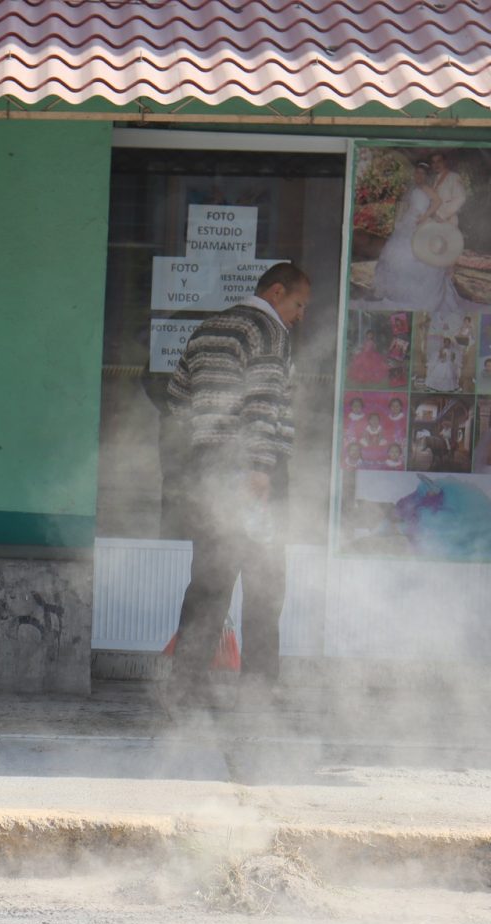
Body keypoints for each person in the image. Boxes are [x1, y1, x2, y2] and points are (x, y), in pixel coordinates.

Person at [165, 262, 310, 694]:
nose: (300, 315)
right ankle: (258, 692)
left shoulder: (208, 329)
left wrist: (207, 437)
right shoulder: (267, 331)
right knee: (265, 584)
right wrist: (259, 468)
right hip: (253, 473)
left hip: (209, 468)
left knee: (209, 581)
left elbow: (176, 396)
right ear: (277, 291)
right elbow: (263, 402)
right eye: (299, 304)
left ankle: (184, 688)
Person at [370, 153, 470, 312]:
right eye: (433, 162)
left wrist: (433, 215)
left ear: (445, 161)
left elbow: (455, 199)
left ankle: (425, 296)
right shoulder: (432, 182)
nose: (436, 164)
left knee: (433, 260)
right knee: (407, 255)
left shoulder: (452, 178)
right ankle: (401, 293)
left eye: (439, 161)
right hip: (424, 223)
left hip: (444, 223)